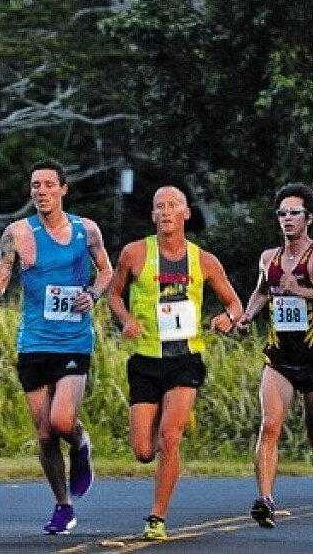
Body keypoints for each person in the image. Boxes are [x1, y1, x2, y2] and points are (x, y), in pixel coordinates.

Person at [106, 185, 243, 541]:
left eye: (172, 205)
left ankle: (157, 516)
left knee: (169, 439)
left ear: (186, 213)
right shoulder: (135, 253)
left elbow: (235, 304)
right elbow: (114, 294)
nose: (166, 211)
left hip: (185, 359)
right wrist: (126, 320)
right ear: (153, 215)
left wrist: (228, 318)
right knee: (143, 451)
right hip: (146, 360)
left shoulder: (204, 261)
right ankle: (175, 418)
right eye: (159, 206)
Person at [0, 159, 113, 536]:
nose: (41, 191)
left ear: (63, 189)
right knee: (44, 434)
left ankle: (80, 441)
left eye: (48, 184)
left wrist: (93, 294)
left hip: (74, 340)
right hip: (34, 342)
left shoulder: (86, 230)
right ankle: (63, 506)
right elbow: (2, 270)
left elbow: (106, 271)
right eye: (35, 185)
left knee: (61, 422)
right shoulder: (17, 232)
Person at [234, 183, 313, 529]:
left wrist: (299, 290)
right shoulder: (268, 258)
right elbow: (262, 291)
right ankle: (266, 501)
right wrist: (247, 315)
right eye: (282, 213)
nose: (287, 219)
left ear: (309, 218)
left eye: (294, 213)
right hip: (279, 360)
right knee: (269, 426)